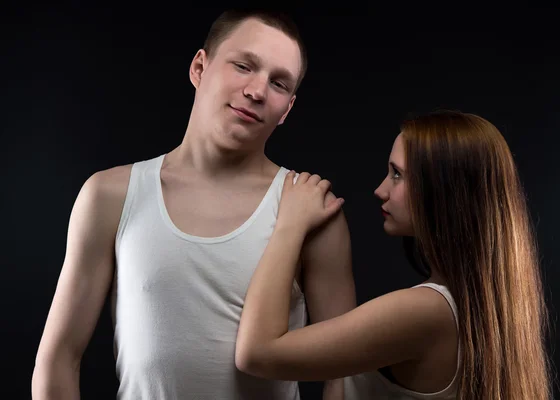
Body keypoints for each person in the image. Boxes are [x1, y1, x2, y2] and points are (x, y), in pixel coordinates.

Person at [31, 9, 356, 400]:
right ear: (200, 67)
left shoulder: (309, 209)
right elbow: (59, 358)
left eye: (278, 83)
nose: (257, 91)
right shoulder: (110, 195)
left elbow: (345, 374)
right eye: (243, 66)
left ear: (287, 108)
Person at [235, 110, 552, 399]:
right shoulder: (478, 307)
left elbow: (257, 353)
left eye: (397, 174)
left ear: (442, 190)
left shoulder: (425, 311)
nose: (380, 190)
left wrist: (289, 224)